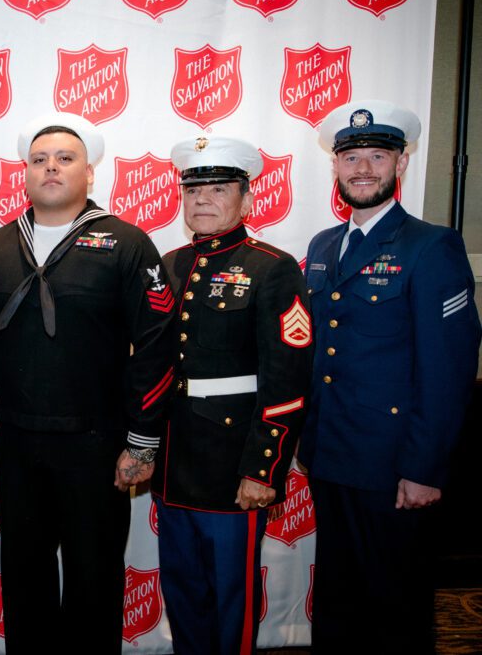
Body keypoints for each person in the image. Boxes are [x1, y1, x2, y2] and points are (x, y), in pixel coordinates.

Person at [0, 112, 177, 653]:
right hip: (18, 444)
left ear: (90, 174)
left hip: (98, 447)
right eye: (39, 160)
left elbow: (156, 346)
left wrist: (143, 441)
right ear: (25, 174)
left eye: (65, 159)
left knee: (94, 580)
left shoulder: (127, 244)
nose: (51, 168)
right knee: (25, 579)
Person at [300, 100, 481, 653]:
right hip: (332, 457)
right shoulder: (323, 246)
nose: (362, 168)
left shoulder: (432, 247)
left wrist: (424, 468)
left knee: (393, 609)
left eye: (377, 156)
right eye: (350, 156)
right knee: (337, 600)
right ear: (335, 167)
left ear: (401, 164)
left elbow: (448, 370)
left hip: (393, 468)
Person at [152, 136, 313, 655]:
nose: (201, 199)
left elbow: (287, 379)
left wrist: (263, 469)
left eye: (218, 188)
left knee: (230, 597)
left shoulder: (273, 267)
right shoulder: (169, 263)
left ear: (246, 200)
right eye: (192, 189)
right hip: (174, 460)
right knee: (183, 590)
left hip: (233, 463)